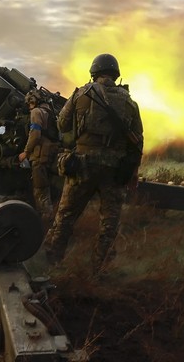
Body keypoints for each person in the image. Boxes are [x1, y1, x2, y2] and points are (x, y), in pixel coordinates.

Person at [43, 53, 143, 275]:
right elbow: (137, 141)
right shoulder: (129, 102)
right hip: (114, 172)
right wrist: (133, 171)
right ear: (116, 75)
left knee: (66, 217)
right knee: (109, 225)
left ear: (94, 72)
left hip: (82, 166)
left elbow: (62, 123)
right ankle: (99, 270)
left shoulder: (81, 94)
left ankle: (52, 263)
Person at [18, 89, 58, 220]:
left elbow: (35, 134)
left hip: (40, 153)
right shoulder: (50, 112)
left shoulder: (36, 112)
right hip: (50, 152)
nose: (29, 107)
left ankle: (46, 219)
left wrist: (26, 152)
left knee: (40, 188)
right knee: (47, 185)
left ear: (33, 101)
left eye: (29, 104)